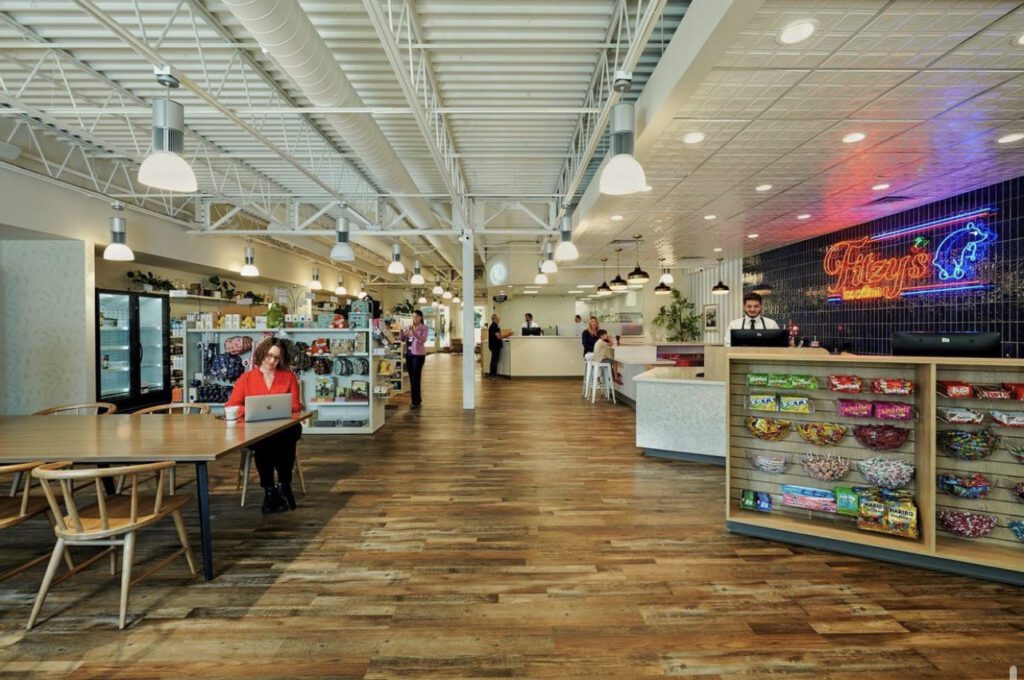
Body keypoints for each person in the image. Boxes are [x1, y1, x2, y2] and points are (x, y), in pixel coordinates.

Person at [225, 337, 302, 514]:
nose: (272, 361)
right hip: (255, 429)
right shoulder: (247, 378)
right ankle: (272, 490)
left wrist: (275, 406)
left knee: (285, 437)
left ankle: (280, 486)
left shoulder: (288, 376)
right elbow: (232, 405)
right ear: (261, 354)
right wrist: (250, 409)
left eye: (277, 358)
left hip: (283, 427)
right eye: (269, 356)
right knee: (263, 442)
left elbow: (296, 405)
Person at [400, 309, 429, 410]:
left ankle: (415, 402)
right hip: (409, 354)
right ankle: (416, 400)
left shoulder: (424, 328)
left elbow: (422, 340)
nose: (414, 318)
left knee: (416, 378)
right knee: (412, 379)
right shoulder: (409, 327)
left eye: (416, 317)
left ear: (420, 318)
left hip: (419, 355)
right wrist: (402, 333)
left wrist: (414, 333)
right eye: (413, 317)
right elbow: (402, 339)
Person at [487, 313, 512, 378]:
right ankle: (492, 375)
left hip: (494, 346)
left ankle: (493, 374)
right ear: (495, 319)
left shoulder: (494, 325)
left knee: (494, 360)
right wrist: (508, 334)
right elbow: (499, 337)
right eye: (498, 318)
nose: (499, 319)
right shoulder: (494, 326)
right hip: (495, 346)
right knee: (494, 361)